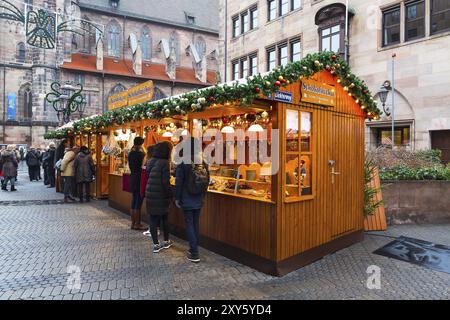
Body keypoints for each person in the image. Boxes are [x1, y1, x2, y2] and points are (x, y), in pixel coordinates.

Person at [175, 137, 210, 263]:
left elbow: (178, 182)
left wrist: (177, 198)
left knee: (189, 223)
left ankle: (194, 252)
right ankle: (195, 249)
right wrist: (203, 195)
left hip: (186, 197)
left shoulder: (183, 162)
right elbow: (208, 180)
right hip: (198, 198)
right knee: (195, 223)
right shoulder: (203, 161)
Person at [145, 141, 173, 253]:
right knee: (164, 218)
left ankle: (155, 244)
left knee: (153, 219)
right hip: (161, 194)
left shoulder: (150, 161)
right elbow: (165, 182)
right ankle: (166, 241)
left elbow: (149, 176)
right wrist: (170, 194)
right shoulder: (165, 163)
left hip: (150, 193)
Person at [128, 137, 147, 230]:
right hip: (139, 179)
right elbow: (144, 167)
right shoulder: (141, 154)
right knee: (138, 202)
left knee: (134, 201)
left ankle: (132, 223)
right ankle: (137, 224)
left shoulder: (131, 153)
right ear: (141, 144)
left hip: (132, 178)